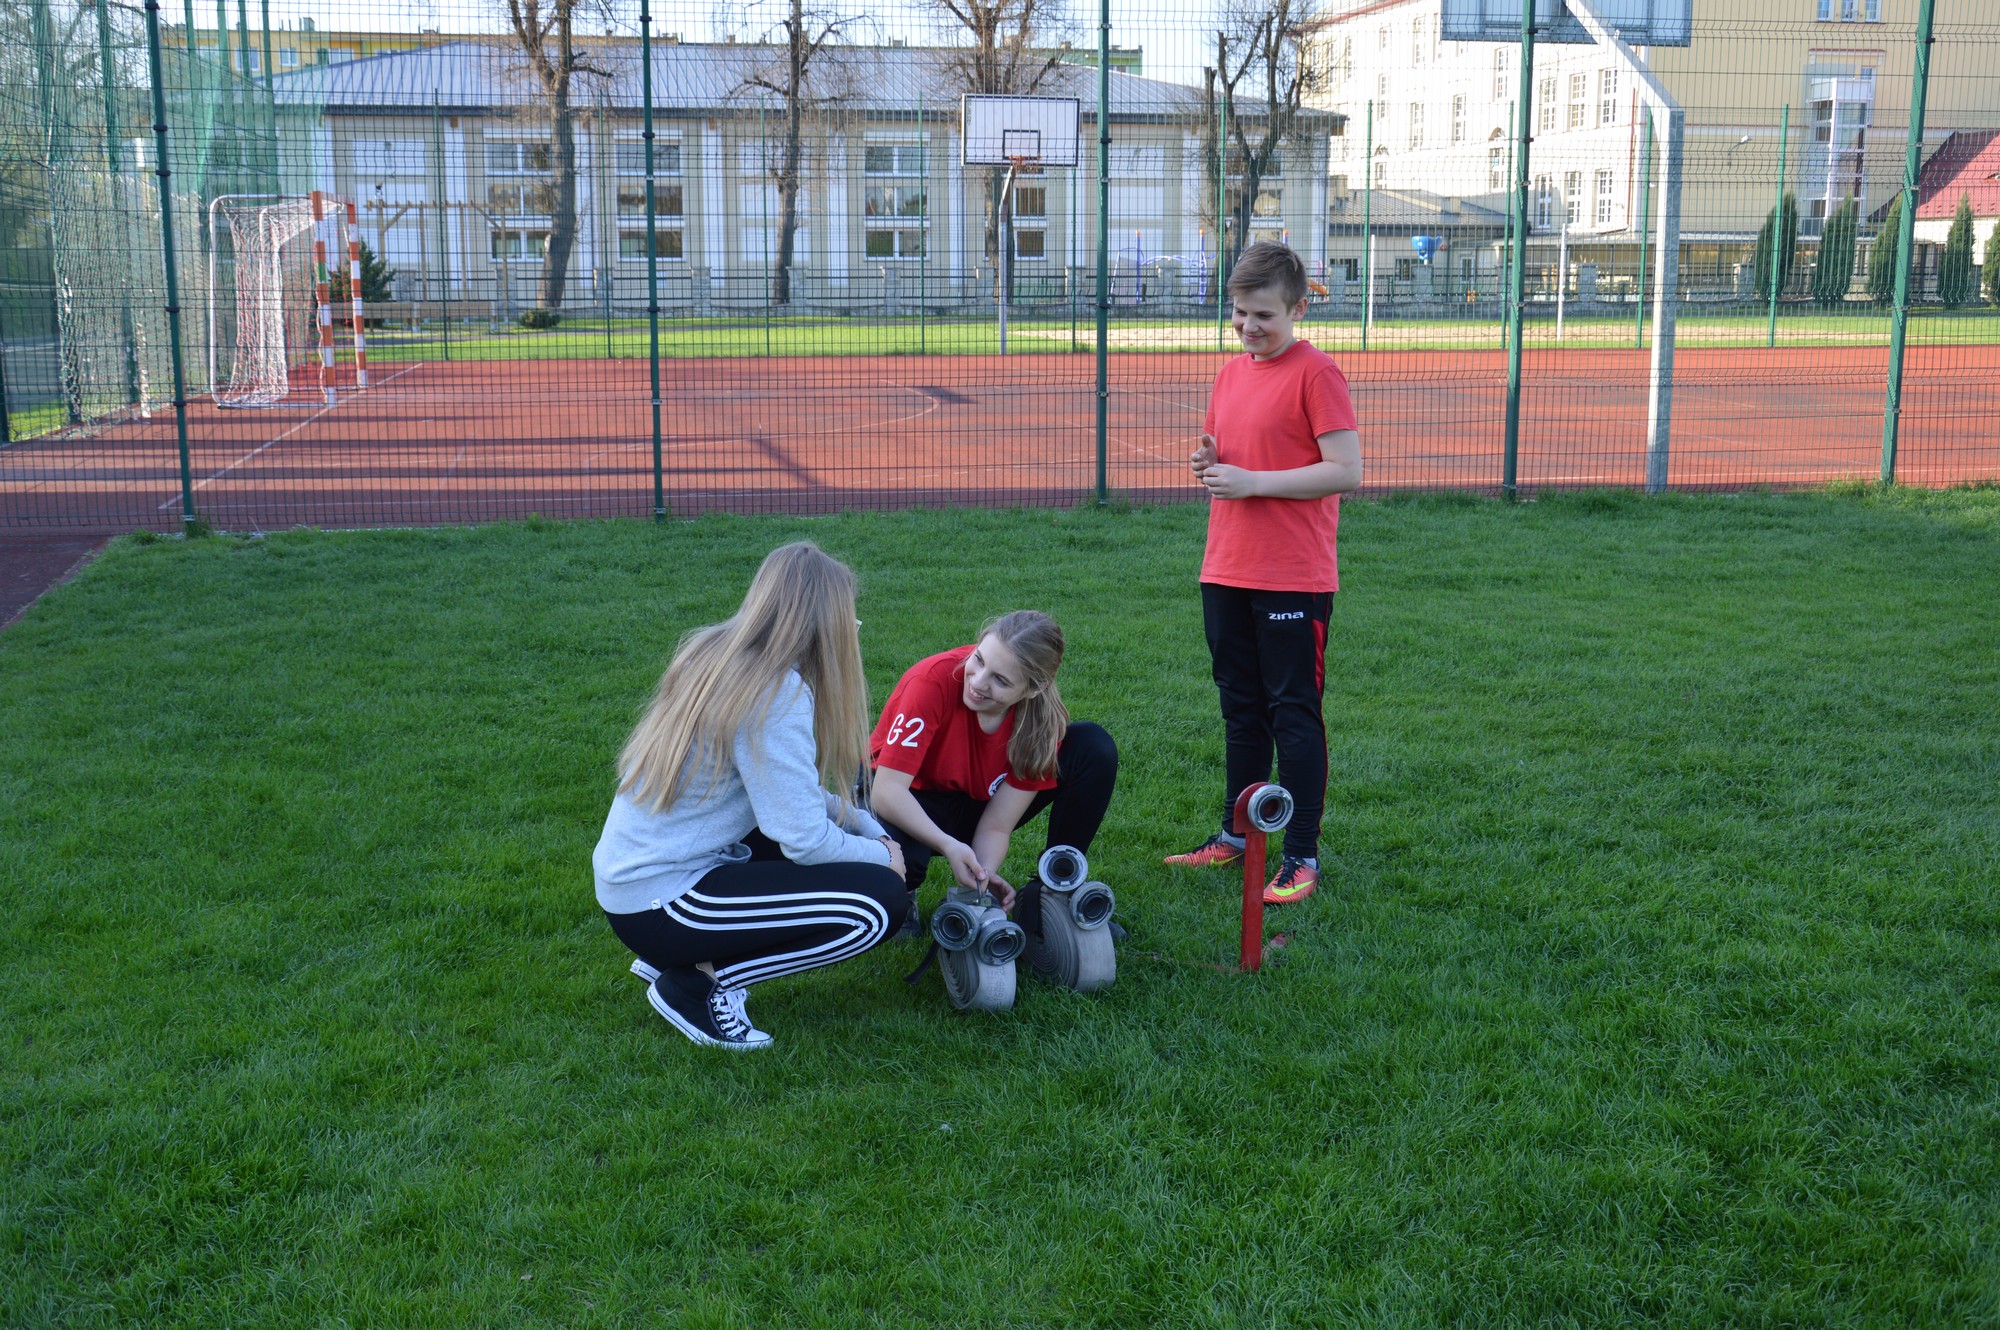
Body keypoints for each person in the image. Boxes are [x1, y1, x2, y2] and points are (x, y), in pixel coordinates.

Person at [593, 542, 909, 1051]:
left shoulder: (716, 655)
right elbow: (805, 839)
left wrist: (868, 828)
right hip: (664, 902)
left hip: (633, 886)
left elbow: (791, 797)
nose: (853, 632)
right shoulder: (777, 692)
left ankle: (678, 959)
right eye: (850, 619)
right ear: (825, 624)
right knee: (878, 904)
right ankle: (695, 986)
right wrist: (883, 859)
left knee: (820, 854)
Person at [1164, 241, 1364, 905]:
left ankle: (1301, 854)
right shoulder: (1230, 374)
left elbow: (1345, 470)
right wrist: (1209, 462)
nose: (1249, 326)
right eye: (1240, 313)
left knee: (1292, 713)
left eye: (1264, 316)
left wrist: (1253, 481)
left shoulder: (1317, 374)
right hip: (1226, 567)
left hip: (1293, 575)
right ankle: (1236, 836)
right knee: (1241, 710)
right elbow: (1231, 453)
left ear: (1298, 309)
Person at [868, 611, 1118, 942]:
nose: (977, 682)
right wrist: (949, 845)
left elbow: (997, 824)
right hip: (904, 793)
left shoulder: (1042, 723)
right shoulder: (932, 682)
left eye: (1000, 680)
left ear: (1034, 689)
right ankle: (903, 891)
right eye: (979, 659)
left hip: (972, 800)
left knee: (1092, 746)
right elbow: (886, 791)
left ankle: (1057, 886)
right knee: (905, 860)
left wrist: (980, 880)